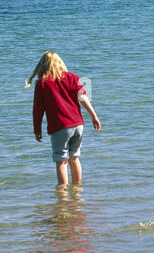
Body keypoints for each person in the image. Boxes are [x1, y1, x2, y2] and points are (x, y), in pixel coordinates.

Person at [29, 50, 101, 185]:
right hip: (78, 124)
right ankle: (77, 193)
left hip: (60, 126)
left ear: (42, 65)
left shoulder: (42, 84)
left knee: (61, 162)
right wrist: (94, 116)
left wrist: (37, 129)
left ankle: (62, 197)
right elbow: (83, 97)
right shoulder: (72, 77)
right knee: (74, 158)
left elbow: (37, 110)